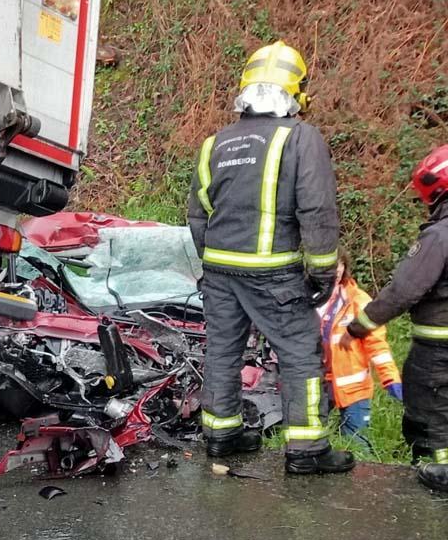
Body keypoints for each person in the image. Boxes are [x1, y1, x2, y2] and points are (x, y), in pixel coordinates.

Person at [187, 40, 354, 474]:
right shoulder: (300, 137)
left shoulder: (214, 143)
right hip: (274, 274)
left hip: (220, 271)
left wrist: (215, 260)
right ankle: (308, 451)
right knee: (299, 353)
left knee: (223, 350)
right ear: (297, 93)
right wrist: (321, 271)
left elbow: (198, 213)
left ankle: (221, 435)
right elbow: (316, 209)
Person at [343, 145, 448, 492]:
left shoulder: (439, 237)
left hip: (438, 352)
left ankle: (437, 484)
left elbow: (404, 291)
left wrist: (360, 325)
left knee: (432, 421)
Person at [317, 254, 402, 447]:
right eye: (330, 265)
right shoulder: (308, 300)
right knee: (312, 444)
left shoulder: (358, 301)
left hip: (353, 387)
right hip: (317, 383)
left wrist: (390, 377)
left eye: (339, 265)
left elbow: (377, 344)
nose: (336, 270)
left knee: (357, 445)